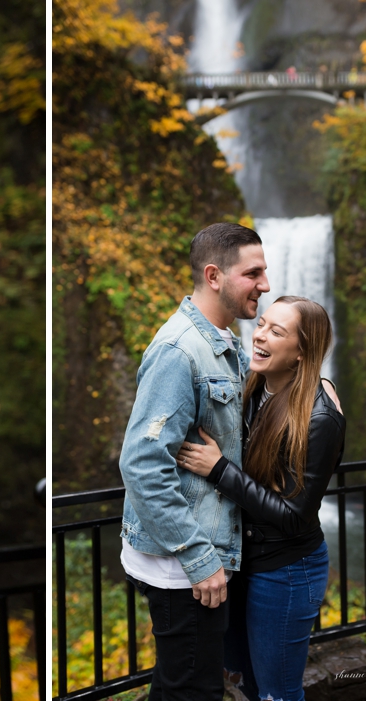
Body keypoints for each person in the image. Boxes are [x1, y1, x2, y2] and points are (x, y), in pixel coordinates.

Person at [116, 222, 267, 699]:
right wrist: (201, 560)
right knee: (193, 692)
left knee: (182, 686)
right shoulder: (180, 351)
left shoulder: (225, 345)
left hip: (200, 556)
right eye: (253, 273)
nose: (265, 285)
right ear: (214, 275)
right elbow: (142, 463)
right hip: (182, 567)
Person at [176, 297, 342, 701]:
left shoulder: (320, 417)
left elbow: (294, 516)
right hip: (240, 561)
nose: (260, 336)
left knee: (277, 694)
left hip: (286, 570)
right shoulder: (250, 386)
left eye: (277, 332)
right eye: (262, 324)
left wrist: (218, 470)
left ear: (302, 352)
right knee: (245, 683)